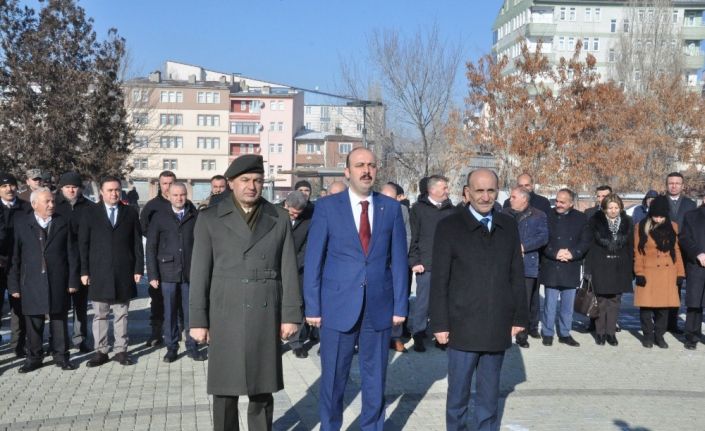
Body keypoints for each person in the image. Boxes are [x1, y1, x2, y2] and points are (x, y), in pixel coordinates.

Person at [189, 155, 302, 431]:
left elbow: (288, 268)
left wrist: (291, 316)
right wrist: (198, 321)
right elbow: (199, 273)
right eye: (245, 180)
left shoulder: (279, 217)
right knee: (225, 392)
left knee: (262, 391)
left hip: (265, 312)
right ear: (230, 183)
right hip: (224, 312)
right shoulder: (209, 218)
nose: (252, 186)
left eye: (258, 180)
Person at [304, 147, 408, 431]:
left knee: (375, 378)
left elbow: (399, 261)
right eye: (360, 165)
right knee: (333, 378)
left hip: (379, 305)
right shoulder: (327, 207)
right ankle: (330, 426)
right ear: (347, 172)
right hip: (337, 306)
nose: (366, 170)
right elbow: (314, 259)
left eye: (371, 165)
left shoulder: (391, 210)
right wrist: (312, 306)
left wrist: (400, 306)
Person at [430, 168, 527, 431]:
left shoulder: (508, 225)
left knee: (488, 396)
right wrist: (439, 323)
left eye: (491, 190)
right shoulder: (449, 226)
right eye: (479, 190)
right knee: (458, 395)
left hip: (497, 323)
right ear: (467, 192)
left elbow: (516, 273)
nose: (485, 197)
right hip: (461, 324)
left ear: (498, 191)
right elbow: (439, 279)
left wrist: (519, 316)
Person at [8, 188, 78, 372]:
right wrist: (14, 284)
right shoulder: (22, 224)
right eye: (47, 201)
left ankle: (61, 356)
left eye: (53, 201)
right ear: (34, 204)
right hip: (30, 282)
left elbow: (72, 254)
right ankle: (34, 357)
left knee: (59, 320)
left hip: (58, 281)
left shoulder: (63, 222)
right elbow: (15, 258)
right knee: (33, 323)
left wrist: (72, 281)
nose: (51, 205)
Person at [79, 175, 144, 367]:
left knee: (121, 313)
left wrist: (138, 267)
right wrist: (84, 271)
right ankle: (101, 351)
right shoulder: (90, 213)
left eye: (117, 190)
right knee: (100, 314)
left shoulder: (130, 213)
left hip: (123, 272)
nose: (114, 193)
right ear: (101, 192)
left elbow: (136, 243)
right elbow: (83, 244)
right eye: (110, 190)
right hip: (98, 272)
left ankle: (121, 351)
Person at [146, 183, 204, 362]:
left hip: (190, 272)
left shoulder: (195, 216)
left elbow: (203, 245)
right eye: (176, 195)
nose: (179, 198)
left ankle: (193, 346)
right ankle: (171, 347)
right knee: (169, 312)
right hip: (167, 272)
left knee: (190, 312)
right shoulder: (160, 217)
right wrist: (153, 274)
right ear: (169, 196)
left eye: (182, 195)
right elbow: (151, 247)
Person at [408, 175, 455, 352]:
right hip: (425, 265)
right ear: (432, 190)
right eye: (444, 187)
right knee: (423, 302)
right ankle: (418, 334)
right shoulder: (418, 209)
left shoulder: (452, 210)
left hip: (447, 264)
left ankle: (440, 336)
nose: (447, 191)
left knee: (444, 302)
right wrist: (414, 261)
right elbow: (413, 236)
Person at [539, 188, 591, 347]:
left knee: (568, 305)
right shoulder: (547, 216)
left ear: (571, 203)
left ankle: (564, 333)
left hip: (571, 265)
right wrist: (554, 253)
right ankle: (548, 333)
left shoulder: (581, 218)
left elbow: (585, 241)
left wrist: (573, 253)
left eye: (562, 202)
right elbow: (542, 238)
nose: (558, 204)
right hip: (552, 263)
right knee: (550, 303)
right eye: (557, 201)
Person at [634, 195, 684, 349]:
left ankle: (659, 336)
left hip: (667, 272)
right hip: (648, 272)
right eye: (655, 215)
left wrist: (680, 273)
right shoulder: (641, 226)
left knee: (664, 309)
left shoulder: (673, 226)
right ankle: (648, 336)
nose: (658, 219)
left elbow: (676, 250)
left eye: (661, 216)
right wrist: (639, 273)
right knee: (646, 308)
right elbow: (638, 251)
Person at [54, 171, 95, 353]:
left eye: (74, 187)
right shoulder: (53, 205)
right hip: (59, 262)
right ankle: (56, 340)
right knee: (58, 305)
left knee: (80, 304)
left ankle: (80, 339)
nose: (71, 190)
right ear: (61, 188)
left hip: (82, 261)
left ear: (80, 188)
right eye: (67, 187)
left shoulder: (89, 207)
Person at [585, 193, 633, 346]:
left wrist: (630, 269)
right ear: (604, 209)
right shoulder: (595, 222)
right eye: (610, 207)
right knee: (601, 301)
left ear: (620, 208)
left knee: (615, 301)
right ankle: (600, 333)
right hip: (600, 266)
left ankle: (611, 333)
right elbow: (590, 248)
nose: (613, 210)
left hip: (620, 267)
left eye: (616, 207)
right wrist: (588, 270)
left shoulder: (627, 222)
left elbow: (630, 247)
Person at [503, 186, 548, 348]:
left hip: (528, 264)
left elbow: (543, 237)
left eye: (514, 197)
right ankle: (502, 332)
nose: (510, 199)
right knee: (505, 300)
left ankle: (522, 335)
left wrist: (524, 246)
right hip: (505, 264)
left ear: (524, 199)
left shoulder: (538, 215)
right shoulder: (504, 213)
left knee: (524, 301)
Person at [140, 170, 176, 347]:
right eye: (164, 183)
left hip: (179, 261)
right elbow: (144, 229)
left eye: (171, 183)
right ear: (159, 185)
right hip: (159, 261)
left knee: (180, 299)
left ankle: (179, 332)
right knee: (157, 299)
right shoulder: (152, 206)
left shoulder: (184, 202)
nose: (168, 187)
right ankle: (156, 333)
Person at [0, 172, 31, 357]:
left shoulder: (26, 208)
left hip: (19, 264)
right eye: (4, 186)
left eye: (11, 185)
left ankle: (18, 345)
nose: (8, 189)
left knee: (19, 306)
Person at [381, 182, 412, 353]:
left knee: (398, 299)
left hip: (397, 263)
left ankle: (395, 336)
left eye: (391, 199)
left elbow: (407, 235)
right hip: (378, 264)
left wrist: (399, 256)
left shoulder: (403, 211)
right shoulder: (372, 210)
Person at [283, 190, 314, 359]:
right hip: (274, 267)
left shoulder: (309, 219)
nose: (294, 216)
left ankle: (297, 342)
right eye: (292, 212)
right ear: (285, 204)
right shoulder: (274, 213)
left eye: (298, 213)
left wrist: (293, 266)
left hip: (297, 269)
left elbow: (307, 248)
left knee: (298, 305)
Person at [665, 172, 696, 334]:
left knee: (678, 286)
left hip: (684, 252)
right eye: (671, 183)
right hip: (664, 251)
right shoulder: (660, 202)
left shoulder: (690, 204)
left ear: (682, 186)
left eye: (677, 183)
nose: (674, 186)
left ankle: (673, 322)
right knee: (664, 286)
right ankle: (661, 322)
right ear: (667, 185)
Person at [678, 200, 705, 350]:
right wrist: (697, 253)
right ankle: (692, 336)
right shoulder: (692, 215)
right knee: (694, 303)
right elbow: (684, 238)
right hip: (697, 264)